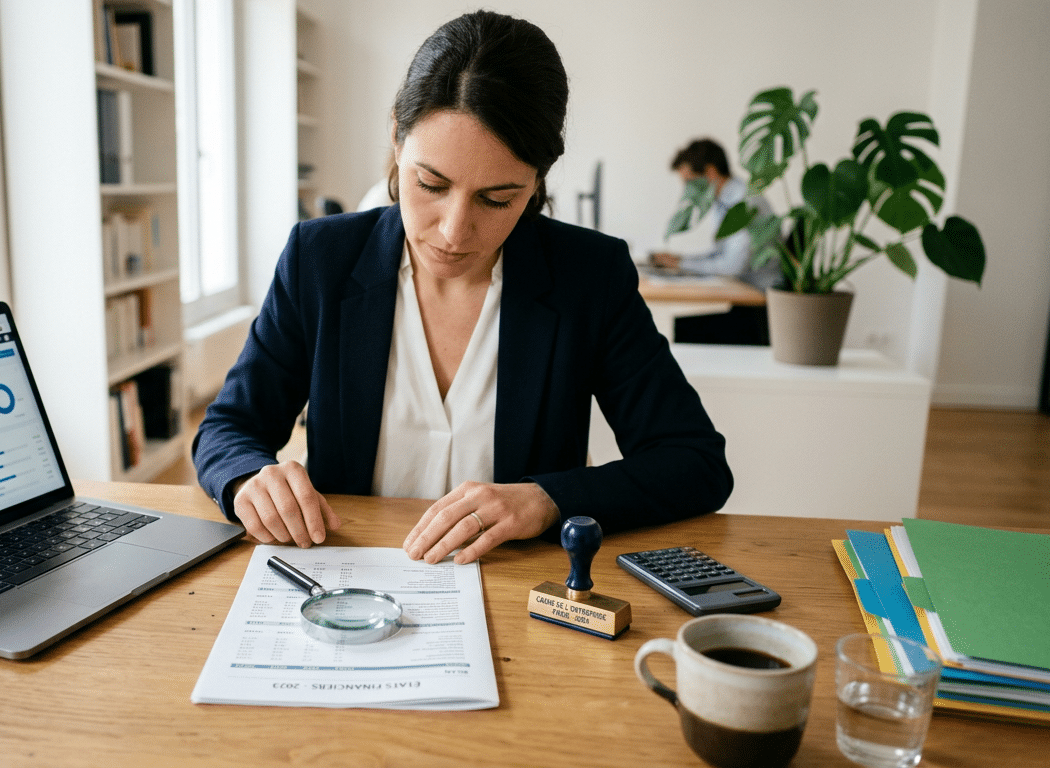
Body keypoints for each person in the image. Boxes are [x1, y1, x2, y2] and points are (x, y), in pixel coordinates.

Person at [192, 11, 732, 567]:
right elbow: (230, 426)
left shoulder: (588, 276)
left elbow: (694, 461)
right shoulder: (319, 260)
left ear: (538, 181)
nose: (453, 232)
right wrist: (248, 479)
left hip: (517, 594)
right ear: (398, 139)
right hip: (344, 582)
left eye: (497, 199)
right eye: (430, 184)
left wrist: (548, 500)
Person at [650, 138, 780, 345]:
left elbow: (733, 265)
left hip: (761, 308)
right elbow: (722, 254)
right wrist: (681, 260)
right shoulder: (724, 200)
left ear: (710, 172)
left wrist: (682, 264)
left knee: (684, 331)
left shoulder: (742, 202)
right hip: (746, 297)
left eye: (690, 181)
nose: (687, 190)